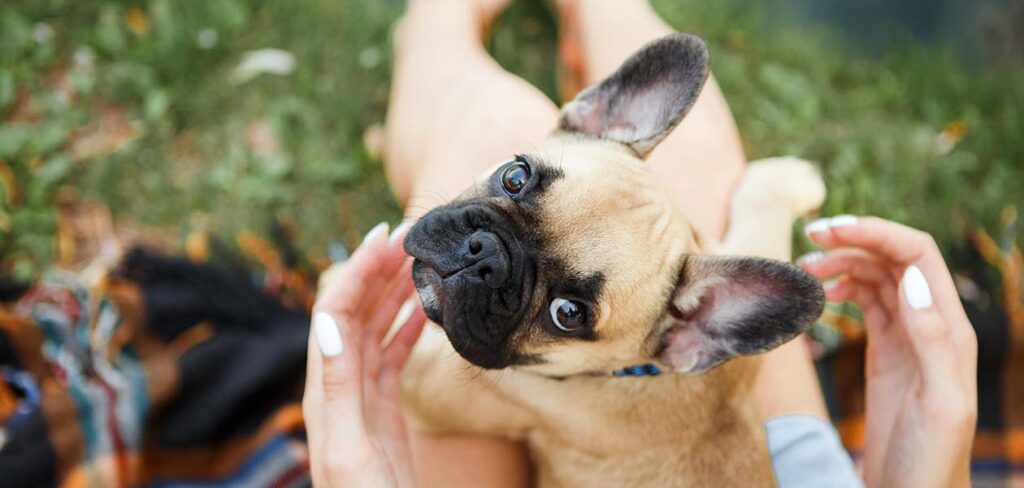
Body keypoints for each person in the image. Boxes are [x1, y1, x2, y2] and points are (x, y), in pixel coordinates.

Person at [303, 0, 978, 486]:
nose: (483, 260)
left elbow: (413, 386)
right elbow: (743, 272)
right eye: (519, 180)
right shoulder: (700, 340)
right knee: (709, 165)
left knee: (489, 118)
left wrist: (342, 295)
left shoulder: (639, 373)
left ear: (688, 334)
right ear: (595, 111)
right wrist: (765, 200)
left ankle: (435, 18)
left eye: (568, 311)